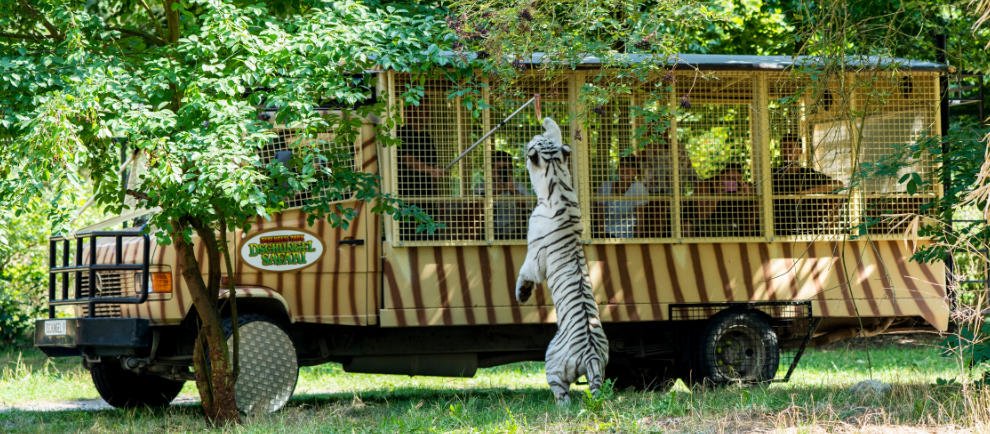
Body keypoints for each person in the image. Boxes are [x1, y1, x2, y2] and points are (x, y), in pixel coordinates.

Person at [771, 134, 844, 235]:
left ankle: (830, 235)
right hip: (779, 223)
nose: (787, 150)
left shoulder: (808, 174)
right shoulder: (773, 174)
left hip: (807, 223)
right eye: (784, 146)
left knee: (834, 199)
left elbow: (838, 185)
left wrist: (806, 192)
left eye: (790, 146)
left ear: (800, 151)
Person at [397, 99, 445, 239]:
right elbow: (407, 159)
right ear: (411, 112)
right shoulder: (402, 133)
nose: (427, 113)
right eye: (423, 110)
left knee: (430, 235)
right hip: (408, 196)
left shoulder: (426, 137)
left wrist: (437, 196)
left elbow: (433, 167)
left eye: (427, 110)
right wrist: (431, 170)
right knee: (410, 235)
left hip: (427, 197)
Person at [688, 163, 758, 237]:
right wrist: (718, 194)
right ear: (721, 176)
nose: (731, 182)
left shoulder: (741, 187)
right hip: (706, 223)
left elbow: (754, 211)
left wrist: (748, 196)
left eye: (735, 179)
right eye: (728, 178)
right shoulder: (705, 185)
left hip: (731, 223)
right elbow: (702, 215)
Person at [596, 155, 649, 238]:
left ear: (636, 172)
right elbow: (599, 214)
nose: (625, 169)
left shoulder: (638, 188)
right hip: (606, 235)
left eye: (629, 166)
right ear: (617, 170)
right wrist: (601, 236)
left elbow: (640, 217)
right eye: (622, 165)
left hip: (627, 236)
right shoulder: (605, 186)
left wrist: (637, 240)